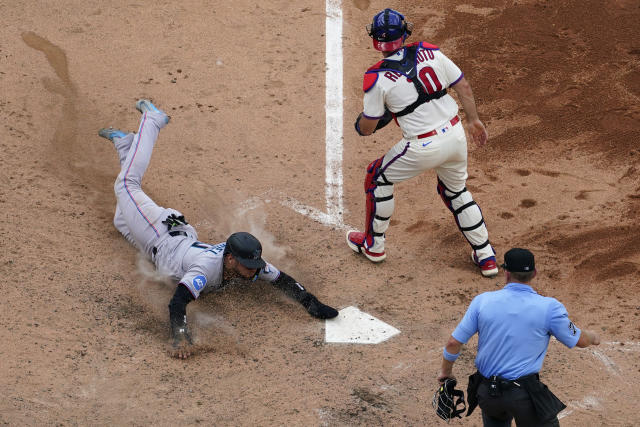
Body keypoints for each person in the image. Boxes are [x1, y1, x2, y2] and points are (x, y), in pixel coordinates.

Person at [98, 99, 338, 359]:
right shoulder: (205, 269)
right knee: (126, 186)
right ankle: (153, 121)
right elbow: (178, 302)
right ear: (231, 258)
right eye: (248, 264)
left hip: (172, 239)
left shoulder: (250, 265)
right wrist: (180, 336)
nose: (254, 269)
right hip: (158, 233)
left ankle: (126, 147)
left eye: (254, 263)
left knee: (120, 221)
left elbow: (282, 280)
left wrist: (312, 304)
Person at [346, 8, 498, 277]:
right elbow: (463, 86)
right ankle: (485, 256)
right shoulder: (430, 51)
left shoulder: (376, 78)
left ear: (376, 40)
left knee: (376, 177)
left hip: (421, 147)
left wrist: (362, 126)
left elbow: (368, 126)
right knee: (457, 192)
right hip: (455, 137)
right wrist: (473, 120)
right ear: (405, 33)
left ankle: (374, 246)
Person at [437, 248, 601, 426]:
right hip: (524, 396)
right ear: (534, 273)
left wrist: (446, 373)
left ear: (506, 273)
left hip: (488, 394)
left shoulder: (482, 301)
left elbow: (453, 343)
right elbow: (581, 340)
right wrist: (593, 336)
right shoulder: (549, 308)